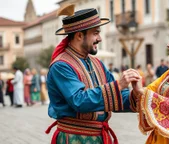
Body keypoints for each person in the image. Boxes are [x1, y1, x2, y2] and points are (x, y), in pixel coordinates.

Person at [45, 5, 140, 144]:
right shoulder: (61, 66)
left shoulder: (97, 63)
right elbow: (79, 101)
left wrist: (138, 95)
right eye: (95, 33)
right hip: (73, 139)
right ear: (79, 35)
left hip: (99, 137)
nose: (100, 38)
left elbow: (116, 97)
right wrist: (118, 84)